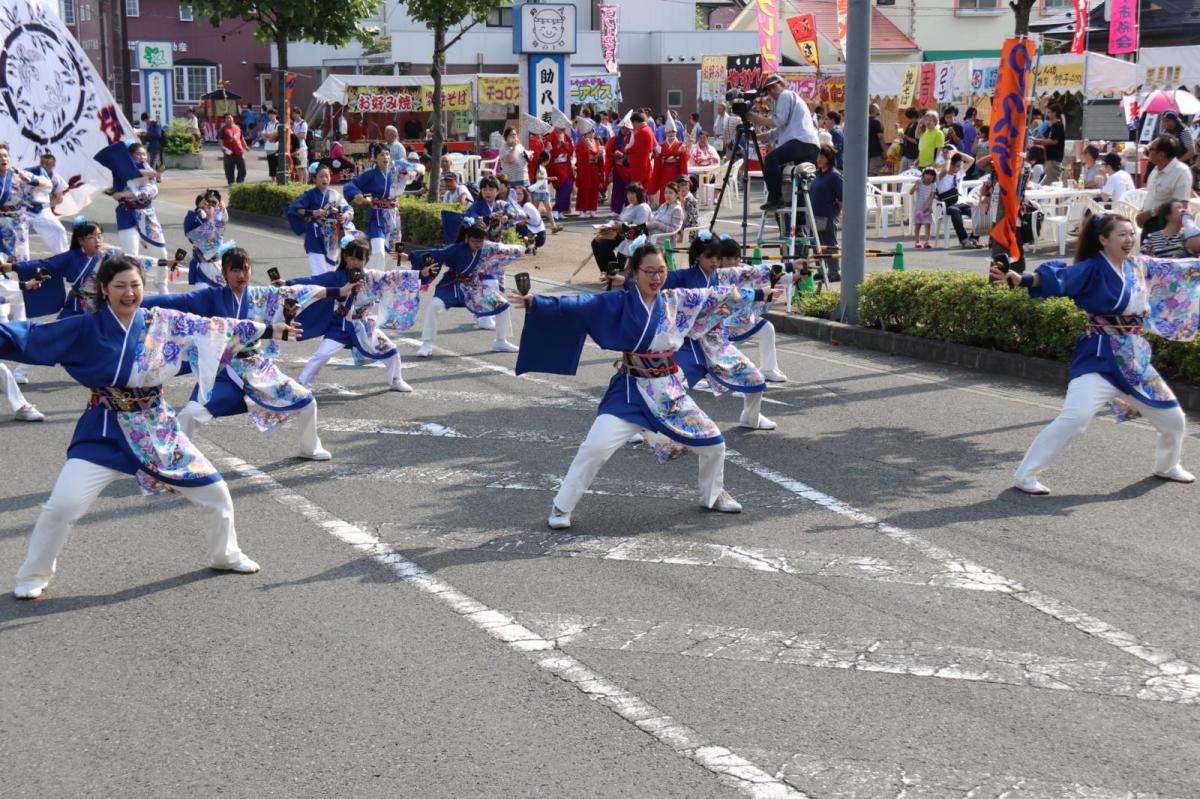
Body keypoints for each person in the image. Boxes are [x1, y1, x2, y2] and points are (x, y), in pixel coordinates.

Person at [1, 254, 300, 599]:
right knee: (62, 506)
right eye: (120, 286)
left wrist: (269, 329)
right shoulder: (86, 327)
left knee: (215, 493)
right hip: (104, 429)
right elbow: (31, 336)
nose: (129, 293)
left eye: (135, 285)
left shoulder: (162, 321)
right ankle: (34, 574)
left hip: (157, 429)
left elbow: (213, 327)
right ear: (104, 289)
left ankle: (225, 554)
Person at [510, 243, 776, 529]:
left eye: (661, 271)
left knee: (714, 444)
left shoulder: (677, 300)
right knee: (595, 448)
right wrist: (535, 302)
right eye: (649, 271)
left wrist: (759, 293)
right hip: (629, 390)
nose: (656, 277)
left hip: (668, 392)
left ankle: (712, 496)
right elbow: (580, 304)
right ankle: (561, 507)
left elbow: (718, 296)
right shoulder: (620, 302)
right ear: (635, 273)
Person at [994, 213, 1198, 494]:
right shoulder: (1091, 268)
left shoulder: (1140, 266)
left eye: (1131, 234)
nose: (1129, 240)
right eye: (1122, 235)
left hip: (1134, 360)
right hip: (1098, 358)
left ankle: (1167, 465)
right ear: (1103, 240)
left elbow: (1179, 268)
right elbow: (1060, 277)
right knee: (1074, 420)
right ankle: (1025, 475)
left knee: (1173, 418)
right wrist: (1021, 278)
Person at [141, 246, 339, 456]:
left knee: (307, 403)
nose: (241, 275)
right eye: (234, 270)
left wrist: (340, 291)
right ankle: (170, 458)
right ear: (224, 273)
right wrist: (137, 302)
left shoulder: (259, 295)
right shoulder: (210, 297)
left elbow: (296, 292)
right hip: (224, 372)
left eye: (245, 269)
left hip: (258, 369)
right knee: (191, 414)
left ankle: (310, 448)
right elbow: (174, 302)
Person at [287, 237, 421, 392]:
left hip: (365, 327)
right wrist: (287, 283)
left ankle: (396, 380)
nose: (355, 262)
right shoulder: (337, 276)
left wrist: (420, 274)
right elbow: (314, 280)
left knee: (391, 351)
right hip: (340, 326)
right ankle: (300, 385)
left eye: (359, 259)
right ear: (345, 258)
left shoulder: (372, 276)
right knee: (321, 355)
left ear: (367, 259)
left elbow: (393, 276)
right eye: (351, 258)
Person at [6, 219, 178, 319]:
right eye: (91, 237)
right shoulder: (71, 256)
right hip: (76, 304)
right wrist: (12, 266)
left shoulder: (108, 255)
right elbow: (44, 264)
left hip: (99, 304)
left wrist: (165, 262)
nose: (97, 240)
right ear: (81, 241)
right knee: (56, 336)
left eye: (99, 236)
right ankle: (23, 368)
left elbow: (136, 259)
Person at [409, 221, 524, 357]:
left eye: (480, 241)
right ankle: (426, 344)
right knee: (434, 306)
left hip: (474, 286)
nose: (477, 245)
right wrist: (409, 256)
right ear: (467, 239)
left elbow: (506, 249)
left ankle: (501, 341)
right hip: (452, 284)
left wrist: (524, 248)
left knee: (503, 306)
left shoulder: (487, 248)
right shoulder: (455, 249)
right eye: (474, 241)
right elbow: (436, 254)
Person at [715, 236, 787, 382]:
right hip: (721, 324)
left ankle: (768, 369)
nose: (733, 262)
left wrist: (770, 296)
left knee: (767, 329)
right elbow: (739, 298)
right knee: (722, 360)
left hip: (742, 320)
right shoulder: (718, 276)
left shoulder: (743, 273)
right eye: (728, 258)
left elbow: (754, 304)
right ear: (719, 259)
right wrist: (762, 295)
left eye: (736, 258)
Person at [103, 141, 171, 294]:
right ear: (129, 157)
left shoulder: (149, 171)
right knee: (131, 256)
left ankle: (161, 284)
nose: (141, 157)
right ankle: (132, 288)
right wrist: (121, 194)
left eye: (144, 154)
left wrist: (127, 194)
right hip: (126, 215)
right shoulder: (121, 172)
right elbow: (117, 190)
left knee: (161, 253)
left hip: (147, 216)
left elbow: (152, 191)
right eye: (137, 154)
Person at [746, 73, 820, 211]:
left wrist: (755, 118)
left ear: (780, 85)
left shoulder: (785, 95)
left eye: (772, 87)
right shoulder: (791, 99)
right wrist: (755, 137)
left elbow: (778, 121)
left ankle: (775, 198)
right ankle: (800, 226)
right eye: (769, 89)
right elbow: (774, 133)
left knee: (771, 159)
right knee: (799, 184)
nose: (771, 92)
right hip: (809, 144)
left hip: (800, 141)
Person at [342, 147, 418, 270]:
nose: (386, 157)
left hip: (394, 215)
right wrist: (356, 194)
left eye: (387, 154)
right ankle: (368, 279)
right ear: (375, 158)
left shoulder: (397, 169)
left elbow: (418, 168)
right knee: (378, 252)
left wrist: (413, 171)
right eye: (382, 155)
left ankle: (387, 281)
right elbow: (350, 185)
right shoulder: (370, 174)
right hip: (377, 216)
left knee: (395, 253)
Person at [285, 163, 355, 275]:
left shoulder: (335, 194)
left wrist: (344, 215)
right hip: (315, 236)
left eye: (327, 176)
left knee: (330, 273)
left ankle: (327, 292)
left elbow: (349, 209)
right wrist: (313, 212)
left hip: (332, 238)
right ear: (314, 178)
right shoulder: (309, 195)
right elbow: (295, 208)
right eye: (321, 176)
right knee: (319, 274)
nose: (325, 179)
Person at [0, 143, 51, 266]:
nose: (3, 159)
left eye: (6, 156)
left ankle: (26, 285)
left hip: (17, 222)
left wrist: (31, 180)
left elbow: (47, 184)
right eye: (0, 157)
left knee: (22, 263)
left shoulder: (17, 174)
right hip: (1, 223)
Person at [591, 183, 652, 274]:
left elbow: (638, 227)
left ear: (639, 194)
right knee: (595, 242)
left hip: (633, 235)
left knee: (604, 244)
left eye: (632, 193)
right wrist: (608, 226)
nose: (629, 196)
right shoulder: (628, 207)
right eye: (628, 193)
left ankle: (614, 269)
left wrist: (618, 227)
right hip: (620, 232)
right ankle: (606, 270)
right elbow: (619, 220)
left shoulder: (643, 207)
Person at [1137, 136, 1193, 232]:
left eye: (1151, 149)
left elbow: (1181, 205)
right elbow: (1152, 195)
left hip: (1165, 228)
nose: (1147, 151)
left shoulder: (1181, 172)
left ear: (1161, 155)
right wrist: (1142, 213)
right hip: (1148, 224)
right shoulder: (1156, 168)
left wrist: (1150, 213)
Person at [20, 151, 68, 255]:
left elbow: (59, 198)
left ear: (53, 165)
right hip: (24, 208)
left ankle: (63, 256)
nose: (44, 166)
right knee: (20, 235)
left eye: (47, 164)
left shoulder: (56, 179)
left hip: (42, 208)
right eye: (42, 163)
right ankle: (20, 261)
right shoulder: (28, 172)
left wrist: (46, 206)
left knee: (59, 229)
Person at [936, 148, 981, 249]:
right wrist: (948, 158)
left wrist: (956, 152)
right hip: (947, 204)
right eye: (957, 165)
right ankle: (964, 240)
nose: (960, 167)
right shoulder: (941, 174)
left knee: (978, 211)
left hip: (961, 203)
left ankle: (974, 238)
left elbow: (971, 160)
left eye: (960, 165)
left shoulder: (960, 173)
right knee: (955, 211)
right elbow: (946, 170)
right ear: (950, 164)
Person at [184, 191, 230, 288]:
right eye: (203, 208)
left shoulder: (218, 223)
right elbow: (188, 228)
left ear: (215, 209)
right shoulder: (195, 222)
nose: (206, 210)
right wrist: (198, 209)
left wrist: (221, 207)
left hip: (216, 267)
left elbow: (208, 231)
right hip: (201, 269)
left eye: (209, 207)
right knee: (200, 300)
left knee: (222, 298)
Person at [808, 145, 843, 252]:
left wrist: (836, 214)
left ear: (829, 158)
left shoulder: (835, 175)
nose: (819, 159)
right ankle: (820, 269)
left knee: (830, 247)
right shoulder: (816, 174)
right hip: (814, 217)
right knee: (816, 249)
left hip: (828, 218)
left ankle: (833, 269)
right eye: (818, 157)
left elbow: (842, 199)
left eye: (822, 157)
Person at [650, 122, 688, 206]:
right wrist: (657, 154)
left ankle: (677, 208)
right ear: (666, 133)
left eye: (673, 132)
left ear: (676, 133)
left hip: (677, 172)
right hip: (665, 172)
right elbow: (657, 159)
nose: (671, 134)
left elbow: (686, 158)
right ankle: (664, 208)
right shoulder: (661, 146)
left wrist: (684, 152)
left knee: (676, 189)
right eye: (669, 132)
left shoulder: (681, 145)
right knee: (664, 188)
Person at [574, 122, 604, 218]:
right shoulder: (582, 142)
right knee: (584, 189)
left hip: (594, 168)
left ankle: (592, 209)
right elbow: (580, 157)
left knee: (594, 189)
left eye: (592, 132)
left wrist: (598, 155)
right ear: (585, 133)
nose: (592, 134)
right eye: (590, 132)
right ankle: (582, 210)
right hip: (585, 168)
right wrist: (592, 152)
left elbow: (597, 155)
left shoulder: (595, 142)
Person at [546, 119, 575, 219]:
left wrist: (567, 147)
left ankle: (560, 210)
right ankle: (556, 209)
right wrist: (557, 147)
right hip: (556, 166)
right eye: (561, 126)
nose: (563, 129)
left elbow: (571, 150)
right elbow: (547, 153)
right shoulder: (550, 137)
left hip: (566, 165)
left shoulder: (566, 136)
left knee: (568, 187)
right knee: (564, 186)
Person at [1032, 104, 1066, 184]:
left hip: (1054, 159)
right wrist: (1040, 135)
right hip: (1049, 159)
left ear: (1054, 113)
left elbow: (1054, 141)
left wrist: (1037, 140)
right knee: (1047, 183)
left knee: (1051, 184)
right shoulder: (1052, 126)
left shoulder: (1058, 125)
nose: (1048, 114)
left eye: (1049, 112)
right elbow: (1046, 139)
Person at [514, 185, 547, 255]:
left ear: (524, 195)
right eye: (515, 194)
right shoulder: (521, 205)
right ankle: (531, 245)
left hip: (540, 236)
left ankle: (529, 245)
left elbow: (521, 222)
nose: (517, 196)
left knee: (518, 226)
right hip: (537, 233)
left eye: (519, 194)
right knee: (518, 225)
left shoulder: (527, 205)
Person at [910, 167, 938, 249]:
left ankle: (927, 242)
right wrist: (915, 185)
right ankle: (917, 242)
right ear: (923, 175)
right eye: (927, 174)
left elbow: (932, 196)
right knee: (917, 225)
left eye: (932, 175)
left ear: (934, 177)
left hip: (927, 207)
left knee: (927, 225)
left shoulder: (933, 185)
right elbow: (910, 192)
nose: (929, 176)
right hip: (918, 207)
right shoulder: (919, 183)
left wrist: (928, 206)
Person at [219, 114, 248, 185]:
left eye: (230, 118)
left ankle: (240, 182)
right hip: (229, 153)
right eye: (227, 118)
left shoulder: (237, 128)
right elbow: (220, 140)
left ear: (233, 119)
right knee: (229, 169)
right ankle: (231, 182)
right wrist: (222, 148)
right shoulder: (223, 129)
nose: (229, 119)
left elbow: (241, 138)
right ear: (225, 120)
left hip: (239, 151)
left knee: (242, 168)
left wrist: (245, 146)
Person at [898, 107, 921, 173]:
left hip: (913, 155)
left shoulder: (918, 125)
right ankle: (899, 184)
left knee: (910, 174)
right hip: (906, 153)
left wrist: (906, 137)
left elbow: (917, 141)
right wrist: (899, 128)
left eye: (909, 117)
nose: (907, 119)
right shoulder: (910, 124)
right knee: (901, 173)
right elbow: (905, 135)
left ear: (913, 117)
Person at [867, 104, 886, 176]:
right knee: (874, 173)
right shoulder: (877, 122)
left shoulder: (865, 122)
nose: (879, 110)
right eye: (878, 109)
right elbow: (880, 138)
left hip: (866, 152)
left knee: (867, 172)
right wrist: (885, 151)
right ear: (876, 110)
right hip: (876, 152)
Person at [262, 109, 281, 179]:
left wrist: (268, 136)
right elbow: (263, 135)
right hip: (268, 148)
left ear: (275, 115)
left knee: (277, 165)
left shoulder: (278, 124)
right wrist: (270, 136)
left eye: (272, 114)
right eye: (269, 114)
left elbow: (273, 137)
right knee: (271, 166)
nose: (270, 116)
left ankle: (278, 180)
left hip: (276, 148)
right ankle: (273, 181)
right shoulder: (267, 124)